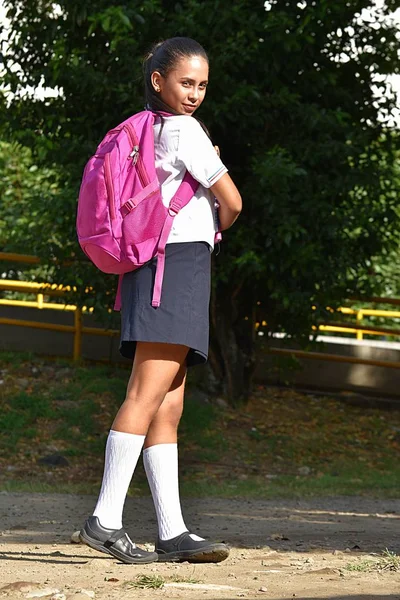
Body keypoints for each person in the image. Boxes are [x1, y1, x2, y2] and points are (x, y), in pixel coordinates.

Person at [79, 37, 242, 565]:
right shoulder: (184, 130)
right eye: (185, 82)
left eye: (201, 85)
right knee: (148, 395)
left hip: (159, 266)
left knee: (168, 402)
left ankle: (172, 531)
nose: (194, 93)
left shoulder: (149, 131)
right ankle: (104, 519)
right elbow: (233, 202)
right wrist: (216, 213)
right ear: (159, 82)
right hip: (174, 268)